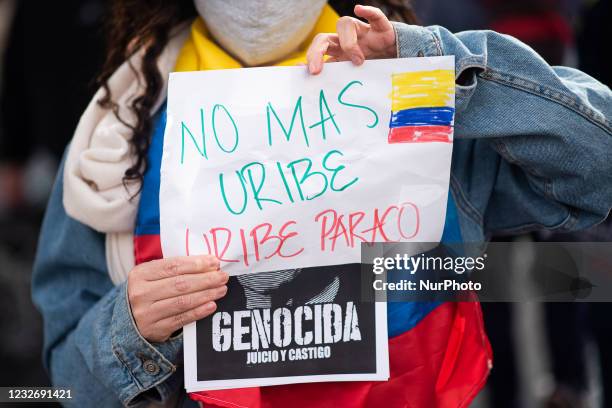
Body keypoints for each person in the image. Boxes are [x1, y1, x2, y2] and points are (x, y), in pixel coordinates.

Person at [32, 1, 612, 407]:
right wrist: (126, 329)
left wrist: (441, 66)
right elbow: (53, 388)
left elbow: (599, 174)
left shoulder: (408, 96)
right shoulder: (113, 138)